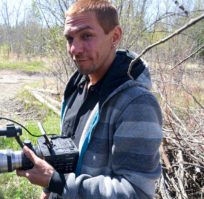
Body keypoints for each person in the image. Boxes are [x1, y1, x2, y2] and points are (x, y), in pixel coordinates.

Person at [17, 0, 163, 198]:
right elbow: (65, 159)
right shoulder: (76, 87)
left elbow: (137, 192)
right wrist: (49, 191)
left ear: (115, 36)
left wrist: (56, 181)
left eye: (86, 36)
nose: (74, 49)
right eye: (69, 38)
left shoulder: (136, 103)